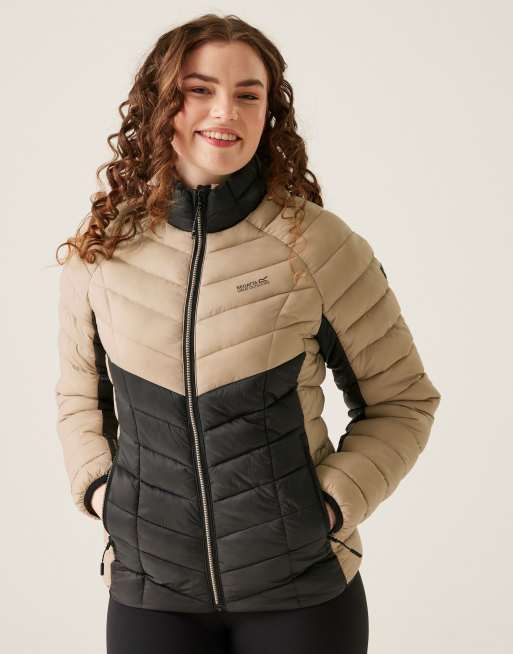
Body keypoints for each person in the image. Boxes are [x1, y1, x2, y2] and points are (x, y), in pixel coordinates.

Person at [54, 13, 442, 654]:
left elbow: (404, 400)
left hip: (302, 594)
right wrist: (102, 493)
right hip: (151, 593)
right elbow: (78, 400)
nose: (225, 112)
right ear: (160, 102)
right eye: (199, 89)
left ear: (270, 112)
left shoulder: (317, 245)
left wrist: (329, 506)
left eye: (247, 94)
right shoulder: (105, 253)